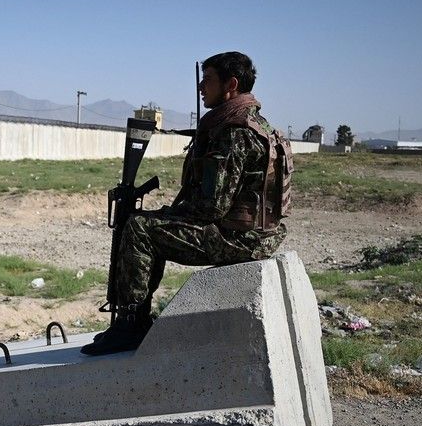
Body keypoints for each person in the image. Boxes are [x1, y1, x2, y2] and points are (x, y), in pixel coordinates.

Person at [81, 51, 293, 356]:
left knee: (141, 228)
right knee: (151, 223)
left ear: (231, 84)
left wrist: (168, 214)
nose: (201, 87)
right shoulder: (258, 124)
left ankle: (131, 325)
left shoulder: (235, 132)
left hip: (239, 240)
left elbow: (213, 207)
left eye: (208, 79)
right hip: (256, 234)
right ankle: (134, 321)